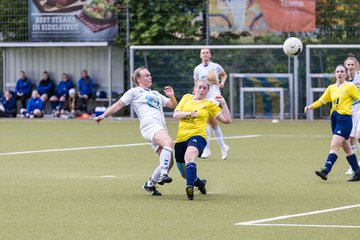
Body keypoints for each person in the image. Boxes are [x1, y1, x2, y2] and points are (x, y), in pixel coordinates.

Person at [94, 67, 177, 196]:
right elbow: (119, 104)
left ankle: (150, 184)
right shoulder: (134, 91)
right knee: (169, 143)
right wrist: (103, 115)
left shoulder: (155, 93)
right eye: (146, 75)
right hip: (149, 126)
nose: (150, 77)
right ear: (138, 79)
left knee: (169, 160)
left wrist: (172, 96)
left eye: (150, 75)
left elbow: (173, 105)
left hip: (160, 127)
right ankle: (164, 175)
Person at [173, 80, 232, 200]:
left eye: (205, 88)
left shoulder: (209, 104)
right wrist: (190, 113)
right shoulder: (186, 98)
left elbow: (227, 120)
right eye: (199, 87)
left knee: (189, 157)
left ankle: (189, 189)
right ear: (194, 88)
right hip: (180, 139)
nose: (202, 90)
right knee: (185, 174)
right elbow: (176, 114)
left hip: (198, 136)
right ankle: (199, 183)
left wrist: (223, 103)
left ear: (207, 92)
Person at [304, 64, 360, 182]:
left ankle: (325, 170)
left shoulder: (350, 86)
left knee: (334, 145)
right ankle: (358, 172)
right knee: (347, 148)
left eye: (342, 71)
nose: (339, 73)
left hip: (345, 119)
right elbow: (321, 100)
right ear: (335, 74)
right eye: (337, 71)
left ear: (345, 74)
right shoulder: (331, 88)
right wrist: (310, 107)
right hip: (334, 119)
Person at [193, 48, 230, 160]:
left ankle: (206, 149)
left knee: (205, 118)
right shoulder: (197, 69)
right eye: (203, 53)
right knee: (212, 122)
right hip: (205, 96)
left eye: (207, 52)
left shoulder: (215, 66)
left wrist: (222, 82)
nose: (205, 54)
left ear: (210, 55)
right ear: (200, 55)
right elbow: (196, 83)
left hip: (215, 96)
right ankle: (223, 147)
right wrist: (195, 92)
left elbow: (224, 75)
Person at [344, 53, 360, 175]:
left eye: (352, 64)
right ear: (346, 66)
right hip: (350, 111)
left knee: (359, 136)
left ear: (356, 66)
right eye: (348, 64)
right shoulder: (343, 80)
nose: (350, 66)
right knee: (351, 139)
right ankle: (353, 166)